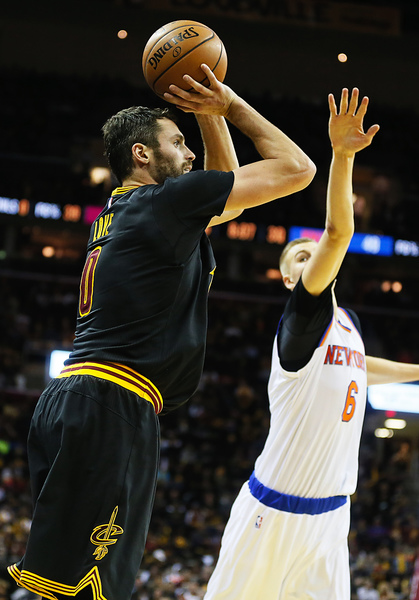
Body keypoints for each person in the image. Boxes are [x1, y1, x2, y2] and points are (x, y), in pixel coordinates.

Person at [7, 65, 315, 600]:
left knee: (67, 584)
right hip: (111, 404)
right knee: (90, 590)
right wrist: (230, 104)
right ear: (142, 154)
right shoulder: (166, 204)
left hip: (78, 399)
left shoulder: (126, 212)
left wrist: (208, 116)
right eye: (177, 142)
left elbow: (230, 196)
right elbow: (298, 168)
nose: (190, 153)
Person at [203, 88, 419, 600]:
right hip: (273, 512)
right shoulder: (303, 317)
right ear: (287, 280)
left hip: (331, 517)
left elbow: (360, 365)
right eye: (300, 257)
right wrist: (342, 157)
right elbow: (338, 234)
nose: (312, 256)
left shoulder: (347, 322)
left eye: (311, 253)